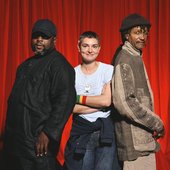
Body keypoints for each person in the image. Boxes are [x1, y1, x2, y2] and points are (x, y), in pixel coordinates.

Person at [3, 19, 76, 170]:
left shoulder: (60, 65)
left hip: (37, 142)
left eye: (44, 37)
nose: (39, 40)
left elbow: (65, 102)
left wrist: (48, 133)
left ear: (54, 40)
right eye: (36, 36)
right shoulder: (23, 66)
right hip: (15, 142)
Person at [112, 13, 165, 170]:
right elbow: (126, 103)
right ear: (127, 36)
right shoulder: (124, 59)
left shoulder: (135, 56)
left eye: (144, 32)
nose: (142, 37)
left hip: (144, 141)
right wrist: (156, 123)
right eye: (137, 32)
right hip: (134, 144)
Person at [64, 31, 120, 170]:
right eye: (85, 46)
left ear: (99, 48)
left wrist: (78, 99)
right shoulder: (71, 73)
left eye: (94, 46)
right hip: (81, 131)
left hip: (105, 131)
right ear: (78, 47)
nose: (90, 50)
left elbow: (106, 101)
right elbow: (69, 107)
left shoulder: (108, 70)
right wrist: (99, 103)